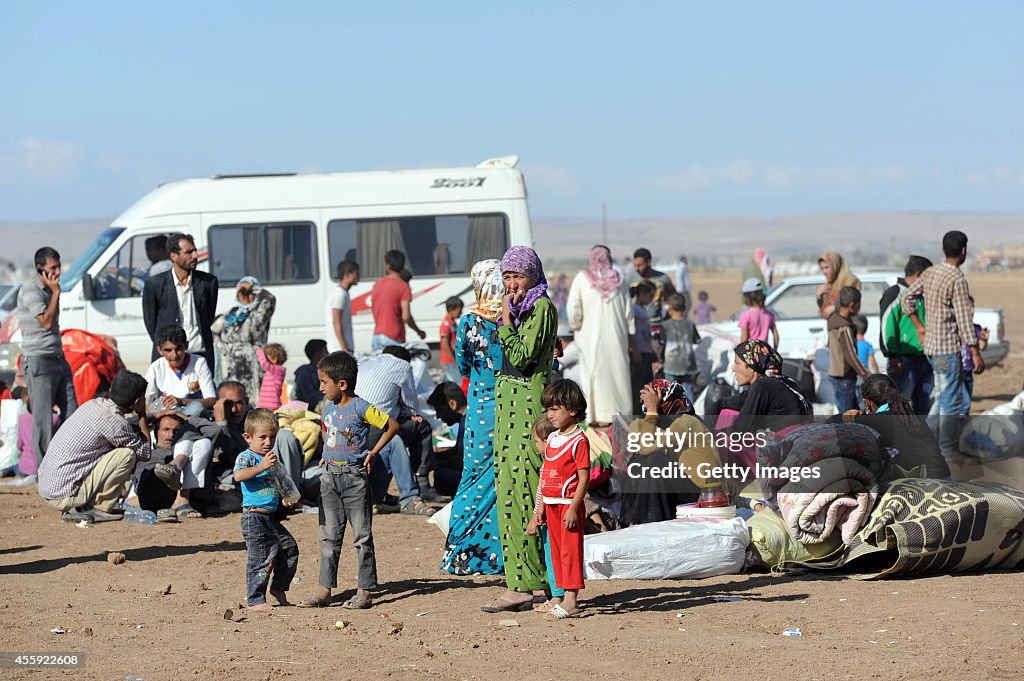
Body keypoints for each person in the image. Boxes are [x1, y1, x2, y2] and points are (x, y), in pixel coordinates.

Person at [482, 246, 558, 613]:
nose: (512, 285)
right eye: (507, 278)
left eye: (518, 277)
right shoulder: (518, 308)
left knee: (526, 494)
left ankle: (529, 584)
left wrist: (506, 327)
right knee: (509, 492)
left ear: (533, 276)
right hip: (507, 407)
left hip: (527, 410)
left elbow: (525, 356)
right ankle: (523, 580)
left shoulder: (540, 308)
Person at [299, 351, 399, 609]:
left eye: (324, 382)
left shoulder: (361, 407)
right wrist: (326, 454)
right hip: (330, 478)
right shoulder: (328, 409)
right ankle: (325, 590)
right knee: (328, 536)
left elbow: (391, 426)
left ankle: (364, 590)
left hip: (354, 478)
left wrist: (373, 453)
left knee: (362, 536)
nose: (320, 387)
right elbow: (326, 431)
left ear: (341, 384)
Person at [440, 260, 505, 575]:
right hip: (510, 406)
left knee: (474, 478)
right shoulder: (514, 319)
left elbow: (463, 366)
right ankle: (503, 553)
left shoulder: (468, 322)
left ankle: (463, 553)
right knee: (504, 478)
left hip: (481, 410)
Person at [901, 231, 984, 458]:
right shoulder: (956, 279)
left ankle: (922, 439)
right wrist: (975, 352)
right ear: (964, 251)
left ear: (943, 249)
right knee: (950, 400)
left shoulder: (930, 273)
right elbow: (964, 319)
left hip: (931, 348)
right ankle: (947, 449)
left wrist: (919, 325)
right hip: (947, 349)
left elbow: (906, 298)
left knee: (942, 396)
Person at [37, 371, 150, 522]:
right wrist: (142, 414)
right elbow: (146, 452)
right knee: (127, 454)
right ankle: (99, 508)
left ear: (111, 391)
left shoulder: (93, 404)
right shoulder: (116, 423)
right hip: (64, 496)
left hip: (48, 488)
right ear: (137, 401)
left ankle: (80, 507)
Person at [528, 379, 590, 620]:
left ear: (572, 410)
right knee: (556, 553)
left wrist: (574, 507)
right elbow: (546, 476)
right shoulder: (552, 439)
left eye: (554, 409)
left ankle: (572, 601)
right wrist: (541, 507)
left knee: (570, 553)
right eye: (548, 410)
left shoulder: (579, 440)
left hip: (567, 507)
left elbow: (583, 477)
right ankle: (562, 597)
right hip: (551, 506)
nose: (550, 415)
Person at [356, 345, 449, 503]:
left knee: (393, 437)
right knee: (421, 426)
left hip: (355, 429)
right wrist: (409, 414)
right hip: (375, 429)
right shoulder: (403, 366)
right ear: (405, 359)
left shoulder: (365, 363)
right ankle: (422, 483)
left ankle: (385, 491)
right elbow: (411, 405)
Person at [16, 247, 78, 480]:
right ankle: (45, 473)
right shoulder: (31, 291)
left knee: (72, 410)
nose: (58, 272)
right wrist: (55, 293)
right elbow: (46, 322)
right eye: (53, 268)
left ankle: (66, 459)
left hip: (57, 357)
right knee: (42, 419)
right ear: (40, 269)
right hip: (39, 360)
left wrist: (54, 293)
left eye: (59, 266)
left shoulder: (51, 290)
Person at [233, 408, 299, 611]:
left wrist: (286, 499)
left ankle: (278, 587)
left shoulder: (271, 459)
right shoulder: (247, 457)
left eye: (272, 437)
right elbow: (239, 476)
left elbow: (278, 484)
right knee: (260, 557)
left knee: (289, 549)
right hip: (254, 517)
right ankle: (255, 599)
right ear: (248, 437)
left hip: (271, 518)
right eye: (262, 437)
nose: (268, 442)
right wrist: (261, 466)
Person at [836, 374, 950, 480]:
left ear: (867, 403)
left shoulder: (880, 420)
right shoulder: (912, 416)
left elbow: (832, 421)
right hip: (945, 478)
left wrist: (852, 414)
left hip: (929, 488)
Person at [566, 245, 633, 426]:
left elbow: (573, 310)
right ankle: (620, 416)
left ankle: (596, 418)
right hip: (617, 339)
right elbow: (629, 314)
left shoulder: (582, 279)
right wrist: (631, 337)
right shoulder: (619, 279)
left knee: (593, 374)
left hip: (590, 340)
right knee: (618, 375)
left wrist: (577, 325)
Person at [208, 381, 306, 492]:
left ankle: (290, 494)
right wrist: (221, 424)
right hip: (235, 478)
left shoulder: (255, 418)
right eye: (228, 404)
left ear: (246, 401)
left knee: (285, 436)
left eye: (238, 403)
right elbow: (231, 458)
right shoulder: (210, 424)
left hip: (268, 469)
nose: (234, 409)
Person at [142, 233, 219, 369]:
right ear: (173, 256)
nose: (195, 255)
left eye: (195, 251)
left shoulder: (208, 282)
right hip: (169, 359)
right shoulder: (155, 284)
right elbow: (151, 322)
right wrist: (168, 346)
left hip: (200, 354)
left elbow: (208, 316)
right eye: (189, 252)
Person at [879, 255, 934, 414]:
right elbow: (886, 328)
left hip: (924, 358)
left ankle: (921, 437)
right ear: (919, 276)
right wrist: (892, 355)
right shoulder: (895, 294)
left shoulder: (921, 296)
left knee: (924, 405)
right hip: (903, 360)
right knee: (899, 405)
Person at [720, 339, 812, 435]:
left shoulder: (763, 385)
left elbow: (740, 430)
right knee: (727, 412)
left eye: (737, 363)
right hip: (800, 437)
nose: (733, 369)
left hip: (783, 444)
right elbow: (730, 402)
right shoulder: (785, 382)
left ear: (752, 366)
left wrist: (711, 434)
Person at [211, 277, 276, 400]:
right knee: (234, 398)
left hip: (255, 365)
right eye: (242, 292)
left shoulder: (260, 313)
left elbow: (270, 299)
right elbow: (212, 332)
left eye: (250, 293)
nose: (246, 296)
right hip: (233, 366)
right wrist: (224, 349)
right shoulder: (230, 315)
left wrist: (252, 288)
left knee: (254, 401)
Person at [144, 325, 216, 419]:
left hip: (191, 417)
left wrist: (182, 402)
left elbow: (211, 400)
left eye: (178, 349)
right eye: (168, 350)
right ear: (159, 350)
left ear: (186, 346)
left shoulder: (199, 363)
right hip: (166, 417)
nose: (174, 355)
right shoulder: (156, 367)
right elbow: (146, 402)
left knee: (196, 408)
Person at [370, 250, 425, 350]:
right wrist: (418, 331)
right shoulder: (403, 286)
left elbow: (374, 309)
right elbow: (406, 316)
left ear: (387, 265)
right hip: (393, 337)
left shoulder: (377, 285)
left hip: (377, 336)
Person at [827, 287, 870, 413]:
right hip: (844, 377)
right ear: (852, 306)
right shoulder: (844, 327)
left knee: (852, 412)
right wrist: (866, 374)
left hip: (838, 376)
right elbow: (850, 354)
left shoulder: (833, 320)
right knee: (849, 415)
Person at [425, 381, 466, 498]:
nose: (438, 416)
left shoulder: (467, 422)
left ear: (453, 404)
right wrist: (433, 458)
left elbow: (461, 460)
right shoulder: (467, 419)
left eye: (439, 410)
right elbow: (458, 451)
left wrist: (433, 464)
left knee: (441, 476)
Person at [660, 293, 701, 400]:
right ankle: (689, 414)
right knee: (688, 392)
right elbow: (697, 340)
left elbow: (661, 341)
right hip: (688, 364)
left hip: (671, 365)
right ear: (684, 307)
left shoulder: (666, 325)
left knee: (671, 393)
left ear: (670, 309)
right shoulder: (690, 324)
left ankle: (672, 415)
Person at [626, 247, 676, 322]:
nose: (636, 269)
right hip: (636, 323)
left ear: (648, 262)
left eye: (640, 265)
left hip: (658, 323)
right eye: (635, 265)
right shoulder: (629, 280)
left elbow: (673, 299)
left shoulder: (663, 279)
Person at [629, 282, 656, 415]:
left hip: (646, 350)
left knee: (645, 383)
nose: (650, 299)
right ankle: (636, 412)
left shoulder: (642, 309)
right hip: (639, 351)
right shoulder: (634, 309)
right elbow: (631, 331)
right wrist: (635, 350)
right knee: (637, 385)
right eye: (649, 295)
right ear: (641, 294)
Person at [959, 297, 988, 416]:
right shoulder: (957, 327)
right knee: (964, 403)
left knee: (967, 398)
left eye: (973, 307)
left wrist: (985, 339)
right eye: (969, 307)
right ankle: (961, 424)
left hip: (969, 370)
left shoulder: (976, 328)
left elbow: (982, 347)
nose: (972, 310)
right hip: (958, 369)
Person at [327, 261, 360, 354]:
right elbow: (336, 321)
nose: (358, 277)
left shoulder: (343, 293)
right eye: (356, 274)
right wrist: (344, 347)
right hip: (339, 349)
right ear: (347, 274)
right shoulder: (339, 295)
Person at [816, 251, 860, 319]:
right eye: (822, 268)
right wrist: (819, 297)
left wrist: (835, 308)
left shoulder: (851, 282)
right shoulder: (830, 284)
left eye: (827, 267)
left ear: (835, 266)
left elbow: (853, 307)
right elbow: (825, 312)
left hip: (847, 326)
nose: (824, 272)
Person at [738, 278, 778, 348]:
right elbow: (776, 335)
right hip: (765, 352)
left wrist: (739, 356)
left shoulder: (745, 316)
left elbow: (744, 340)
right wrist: (775, 351)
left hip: (752, 353)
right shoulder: (769, 314)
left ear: (747, 297)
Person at [294, 339, 328, 409]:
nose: (328, 354)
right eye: (326, 351)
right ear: (318, 353)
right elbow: (310, 398)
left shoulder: (325, 371)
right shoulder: (304, 373)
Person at [439, 296, 464, 384]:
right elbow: (445, 345)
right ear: (451, 309)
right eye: (459, 309)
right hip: (449, 361)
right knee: (459, 383)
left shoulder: (452, 323)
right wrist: (454, 362)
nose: (461, 312)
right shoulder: (446, 325)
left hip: (452, 361)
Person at [257, 343, 287, 410]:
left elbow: (264, 364)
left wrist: (260, 352)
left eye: (266, 357)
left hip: (272, 405)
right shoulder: (273, 370)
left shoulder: (278, 370)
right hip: (265, 405)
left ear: (274, 359)